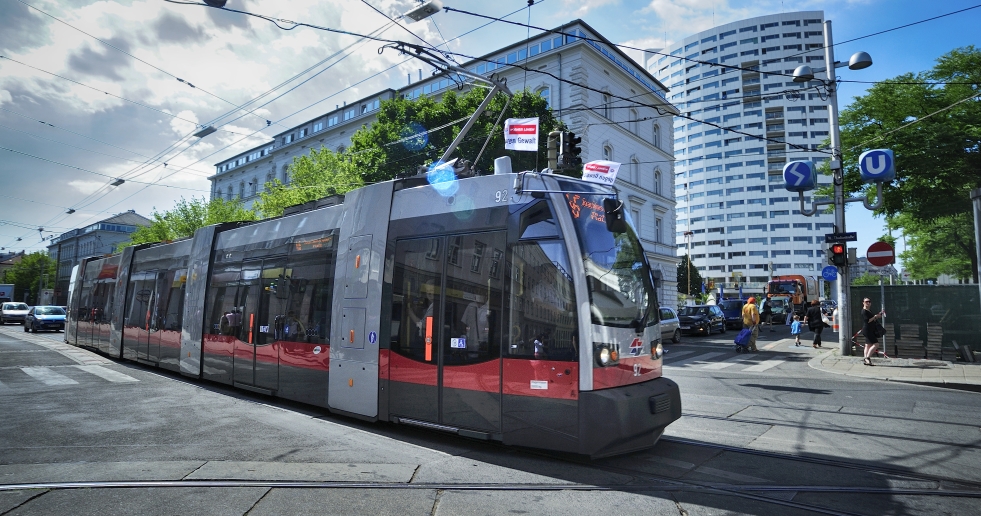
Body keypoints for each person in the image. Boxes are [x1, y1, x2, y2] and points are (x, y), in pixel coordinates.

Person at [861, 298, 884, 366]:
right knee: (876, 344)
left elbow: (873, 318)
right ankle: (867, 358)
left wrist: (877, 316)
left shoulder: (869, 310)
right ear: (863, 303)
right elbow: (867, 321)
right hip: (867, 330)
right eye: (866, 301)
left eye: (869, 301)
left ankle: (866, 360)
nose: (868, 303)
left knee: (867, 345)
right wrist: (875, 317)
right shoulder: (864, 311)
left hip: (870, 329)